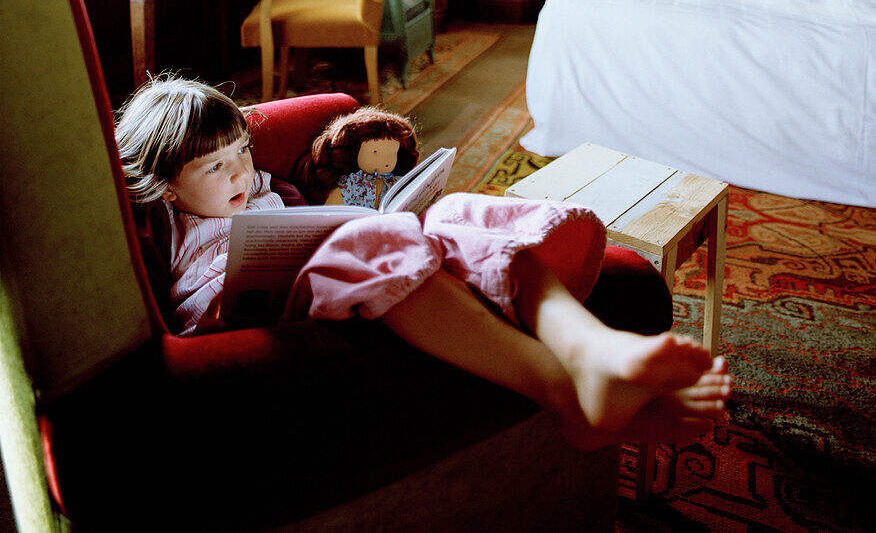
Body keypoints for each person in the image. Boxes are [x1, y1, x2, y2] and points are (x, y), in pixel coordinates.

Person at [117, 75, 731, 450]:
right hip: (259, 314)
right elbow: (177, 313)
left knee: (457, 213)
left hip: (341, 269)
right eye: (213, 166)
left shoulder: (271, 190)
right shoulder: (171, 225)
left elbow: (325, 201)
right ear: (168, 185)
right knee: (375, 242)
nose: (240, 173)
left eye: (241, 151)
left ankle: (590, 347)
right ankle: (564, 393)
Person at [298, 105, 419, 208]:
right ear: (354, 152)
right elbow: (331, 211)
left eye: (393, 153)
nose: (387, 160)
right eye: (375, 152)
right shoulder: (350, 186)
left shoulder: (394, 182)